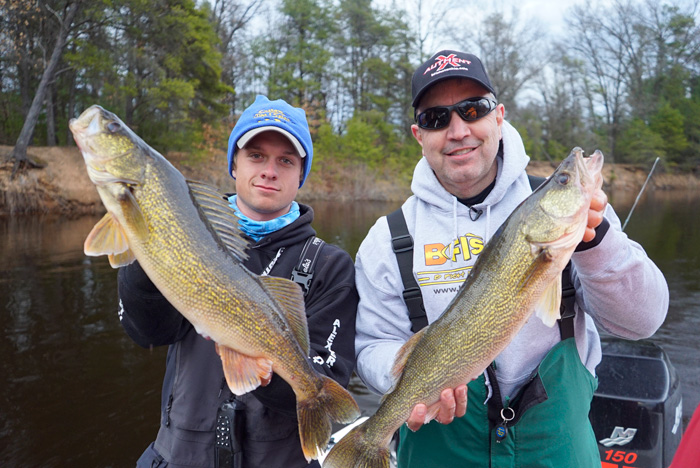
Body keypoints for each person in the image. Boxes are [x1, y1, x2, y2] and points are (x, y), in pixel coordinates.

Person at [354, 50, 669, 467]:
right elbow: (373, 345)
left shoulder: (583, 216)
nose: (458, 129)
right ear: (418, 134)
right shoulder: (387, 238)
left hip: (557, 447)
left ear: (498, 116)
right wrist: (406, 386)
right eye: (436, 119)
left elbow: (643, 321)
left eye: (473, 109)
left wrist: (596, 242)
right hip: (437, 445)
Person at [118, 95, 359, 468]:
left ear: (300, 175)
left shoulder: (329, 265)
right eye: (256, 155)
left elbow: (329, 373)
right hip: (177, 454)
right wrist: (146, 251)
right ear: (234, 163)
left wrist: (264, 367)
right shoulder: (187, 233)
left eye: (286, 161)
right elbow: (147, 332)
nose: (269, 170)